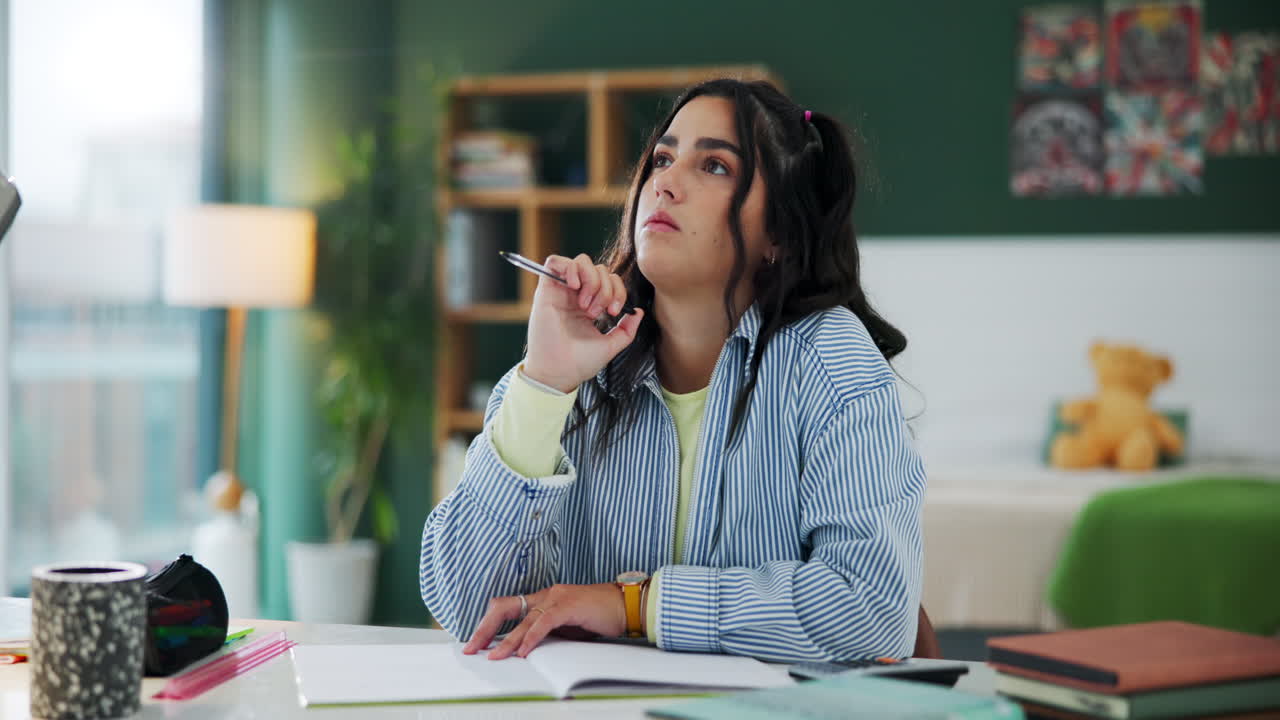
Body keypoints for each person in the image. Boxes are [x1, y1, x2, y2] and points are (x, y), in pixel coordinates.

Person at [420, 78, 925, 663]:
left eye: (714, 166)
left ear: (780, 235)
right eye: (662, 157)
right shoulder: (573, 370)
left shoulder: (829, 360)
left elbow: (873, 610)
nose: (665, 181)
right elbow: (465, 607)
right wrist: (544, 384)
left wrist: (634, 605)